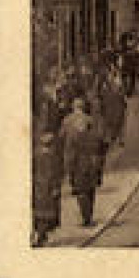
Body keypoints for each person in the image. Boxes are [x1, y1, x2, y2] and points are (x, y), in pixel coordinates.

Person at [60, 96, 103, 227]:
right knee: (90, 189)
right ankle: (89, 215)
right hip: (91, 160)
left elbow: (61, 137)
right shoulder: (91, 121)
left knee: (80, 190)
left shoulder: (67, 121)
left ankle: (86, 217)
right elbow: (99, 139)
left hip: (75, 161)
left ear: (73, 107)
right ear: (83, 107)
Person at [31, 128, 63, 246]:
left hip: (39, 186)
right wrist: (56, 187)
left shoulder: (36, 154)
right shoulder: (52, 156)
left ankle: (41, 236)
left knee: (40, 212)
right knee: (46, 212)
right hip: (47, 187)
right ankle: (40, 237)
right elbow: (54, 173)